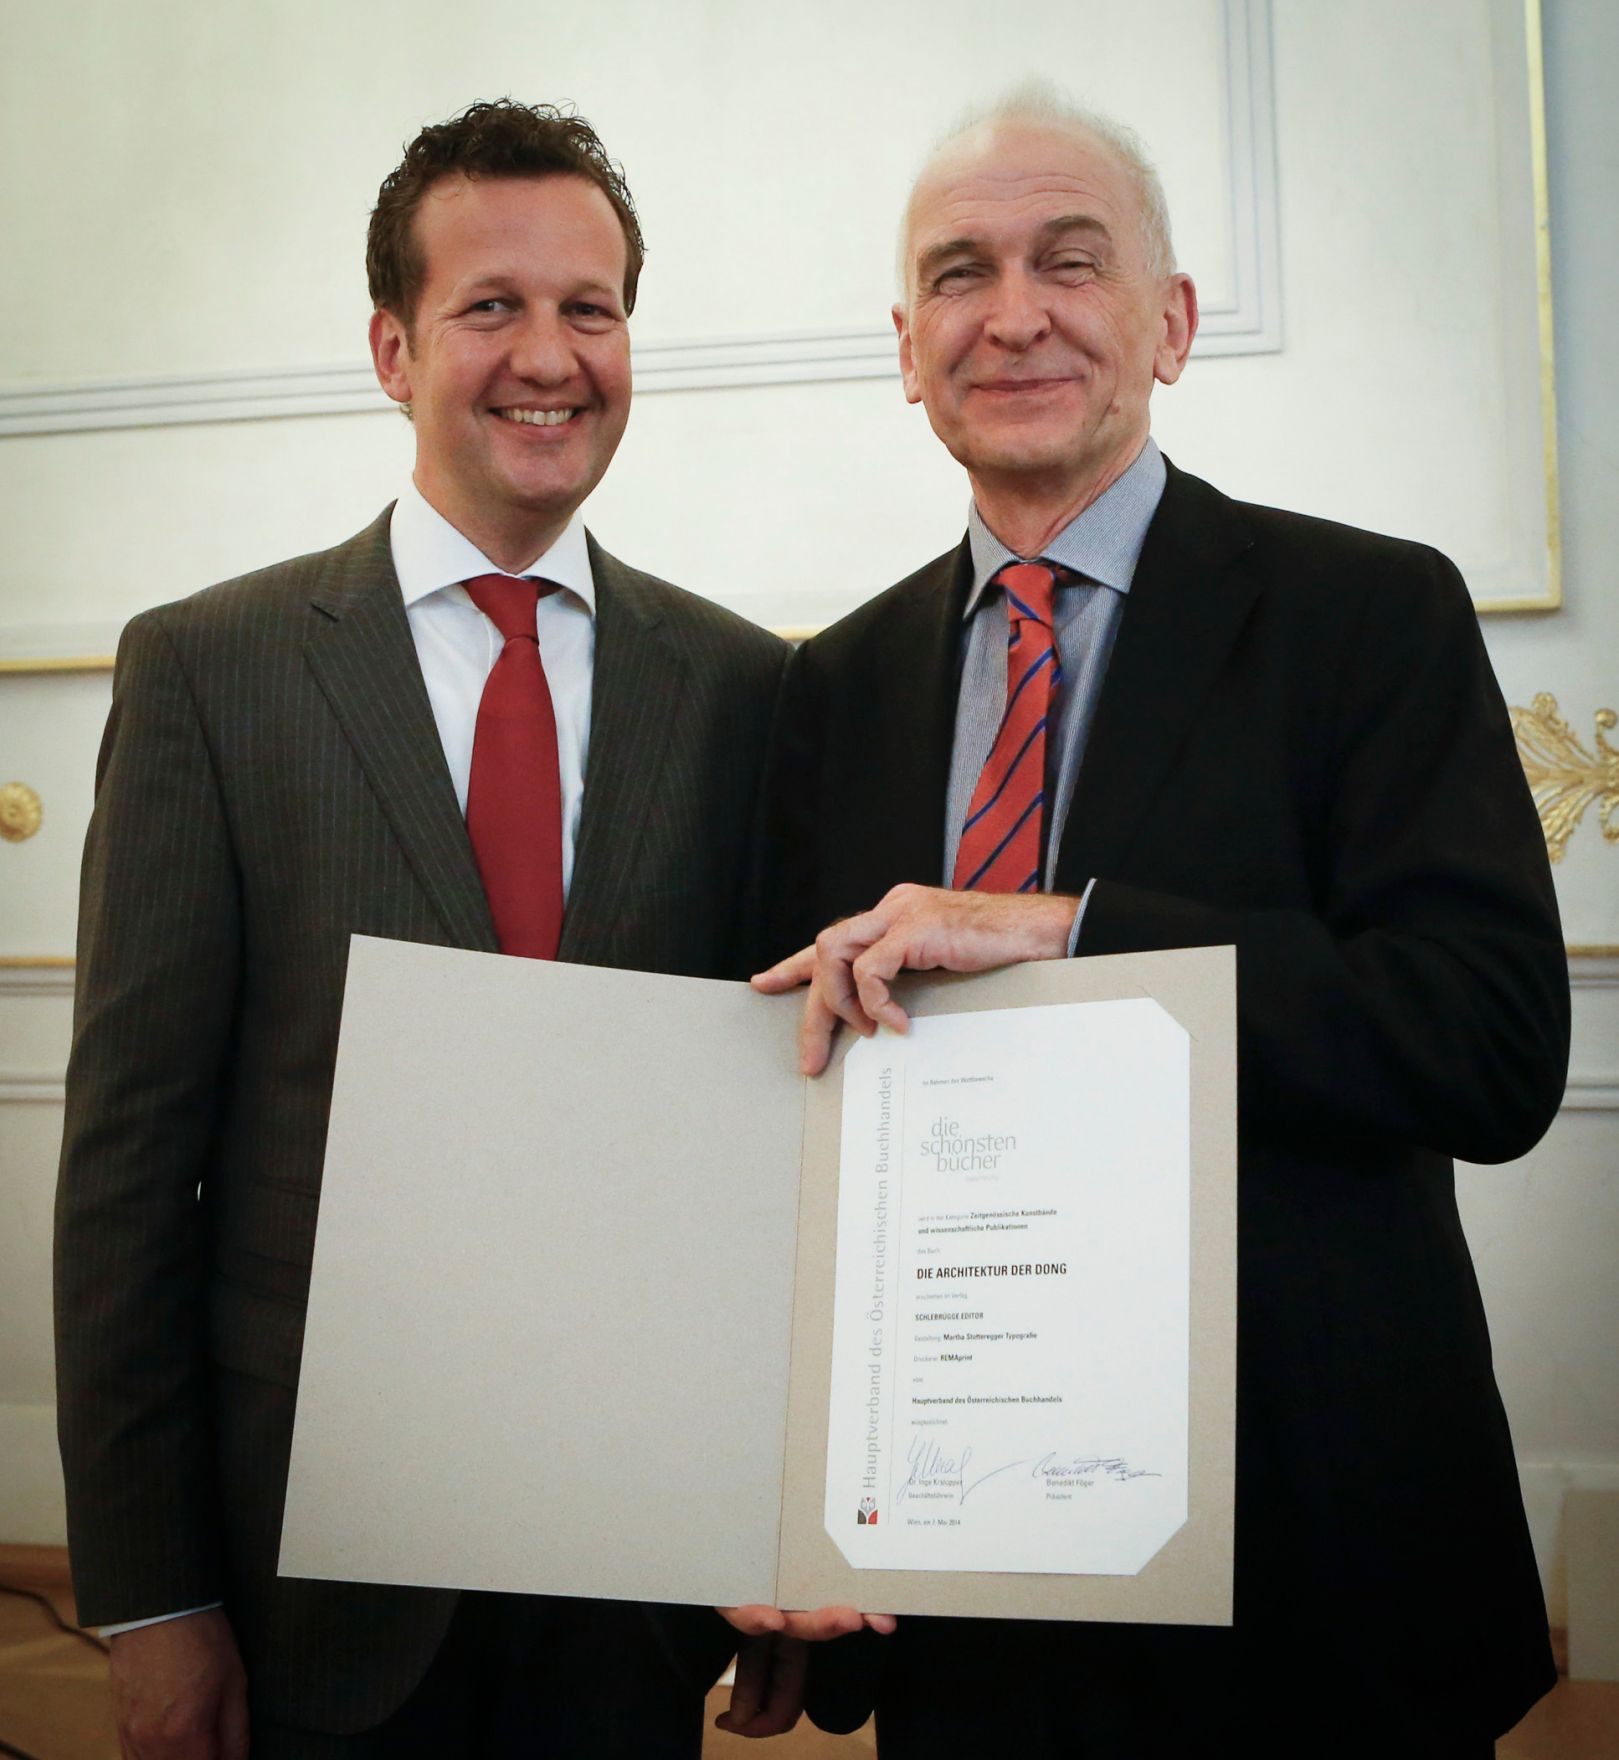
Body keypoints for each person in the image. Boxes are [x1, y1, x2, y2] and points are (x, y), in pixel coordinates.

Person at [753, 88, 1570, 1757]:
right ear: (908, 352)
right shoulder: (826, 689)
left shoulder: (1372, 615)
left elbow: (1488, 1047)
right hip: (964, 1589)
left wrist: (1077, 933)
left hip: (1315, 1569)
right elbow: (793, 1131)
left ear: (1172, 323)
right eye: (961, 274)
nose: (1014, 315)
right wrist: (767, 1529)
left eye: (1071, 261)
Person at [54, 100, 795, 1758]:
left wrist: (777, 1536)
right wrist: (153, 1596)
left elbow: (776, 1161)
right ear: (393, 349)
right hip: (313, 1586)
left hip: (634, 1571)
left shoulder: (748, 690)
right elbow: (127, 1169)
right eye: (491, 307)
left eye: (590, 308)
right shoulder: (212, 674)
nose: (549, 356)